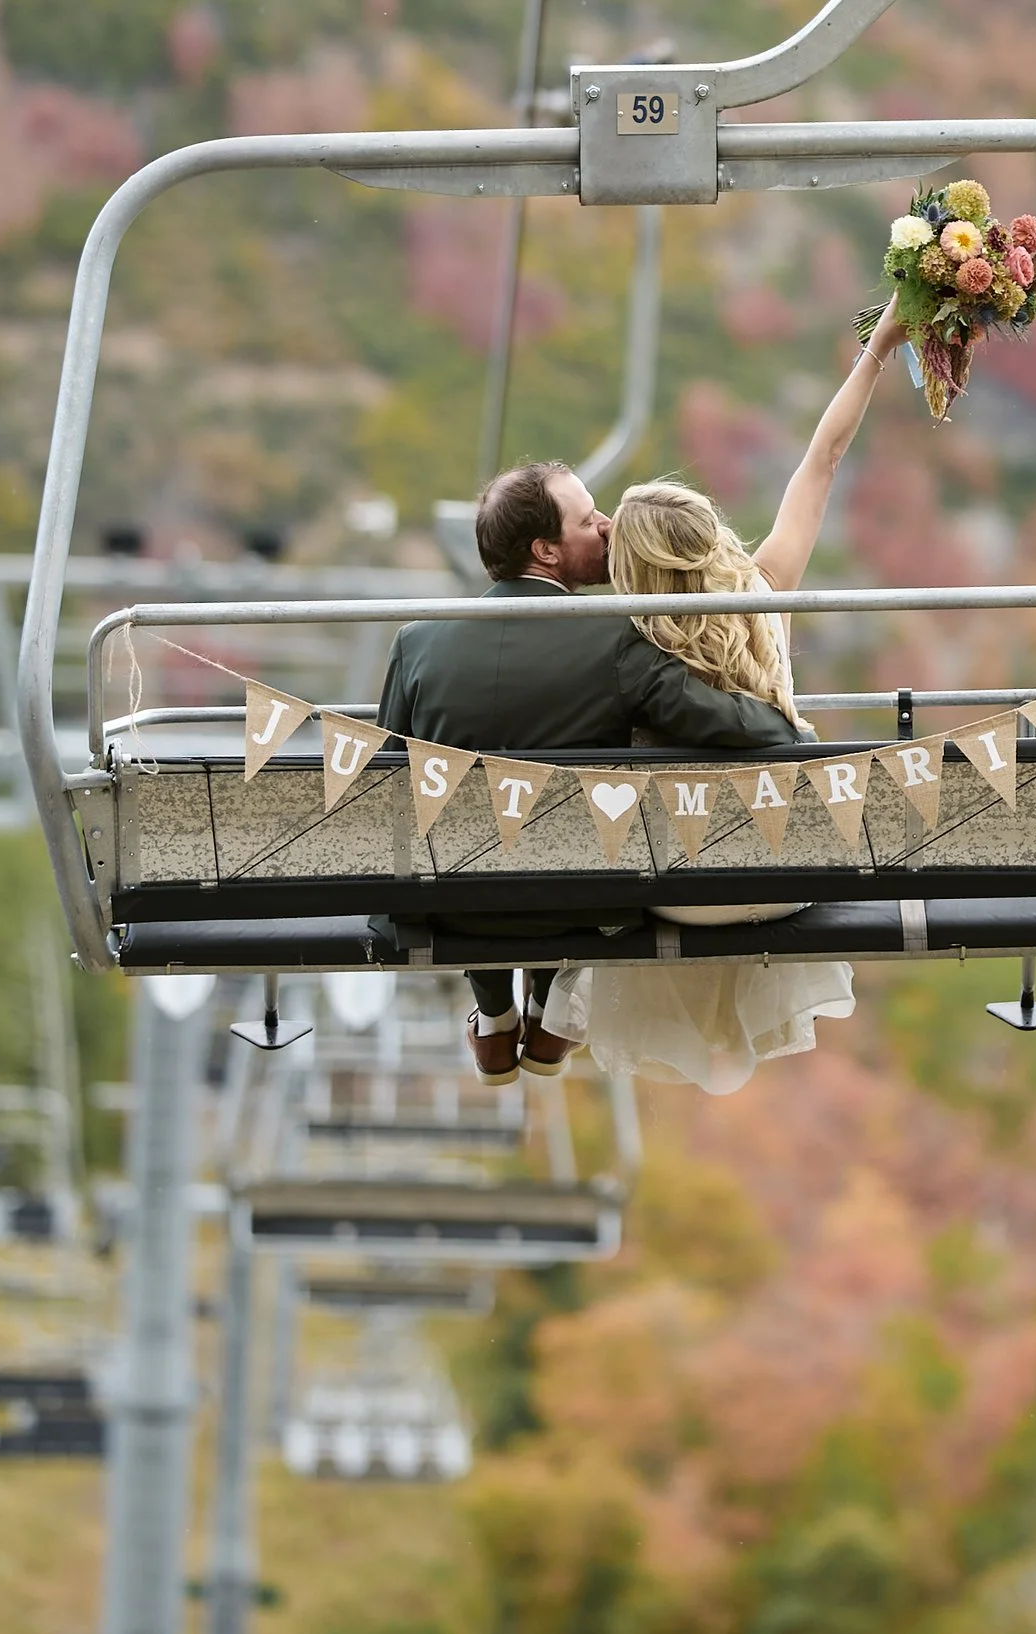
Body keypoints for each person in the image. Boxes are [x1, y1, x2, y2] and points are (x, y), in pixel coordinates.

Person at [384, 302, 911, 1081]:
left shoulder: (414, 644)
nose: (601, 527)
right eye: (588, 517)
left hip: (445, 896)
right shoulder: (623, 641)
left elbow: (389, 786)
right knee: (609, 826)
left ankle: (497, 1008)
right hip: (584, 900)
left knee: (479, 803)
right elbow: (753, 729)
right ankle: (555, 1007)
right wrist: (794, 735)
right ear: (545, 548)